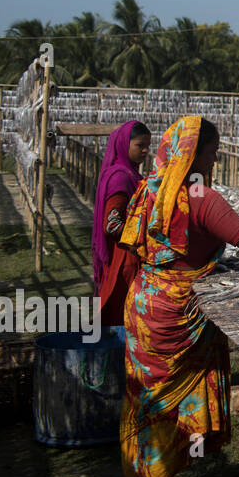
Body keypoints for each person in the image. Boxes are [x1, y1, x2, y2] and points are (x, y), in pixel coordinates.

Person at [118, 116, 239, 477]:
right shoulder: (201, 197)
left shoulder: (148, 189)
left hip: (143, 304)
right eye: (212, 153)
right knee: (180, 390)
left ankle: (143, 469)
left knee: (146, 392)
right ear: (192, 156)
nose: (215, 161)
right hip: (179, 310)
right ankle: (179, 466)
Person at [94, 121, 151, 327]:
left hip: (130, 254)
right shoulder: (120, 177)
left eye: (148, 146)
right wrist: (145, 236)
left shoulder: (131, 173)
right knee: (122, 314)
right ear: (124, 145)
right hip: (125, 257)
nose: (145, 150)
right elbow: (111, 225)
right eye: (140, 145)